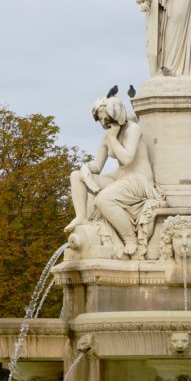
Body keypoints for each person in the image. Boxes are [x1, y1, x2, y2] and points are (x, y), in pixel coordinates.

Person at [65, 93, 162, 258]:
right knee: (76, 176)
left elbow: (127, 157)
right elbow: (97, 167)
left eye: (107, 119)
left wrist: (112, 138)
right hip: (121, 178)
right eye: (102, 120)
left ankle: (130, 238)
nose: (104, 123)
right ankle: (81, 217)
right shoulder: (107, 137)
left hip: (139, 180)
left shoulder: (133, 129)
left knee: (103, 199)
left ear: (117, 115)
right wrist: (85, 169)